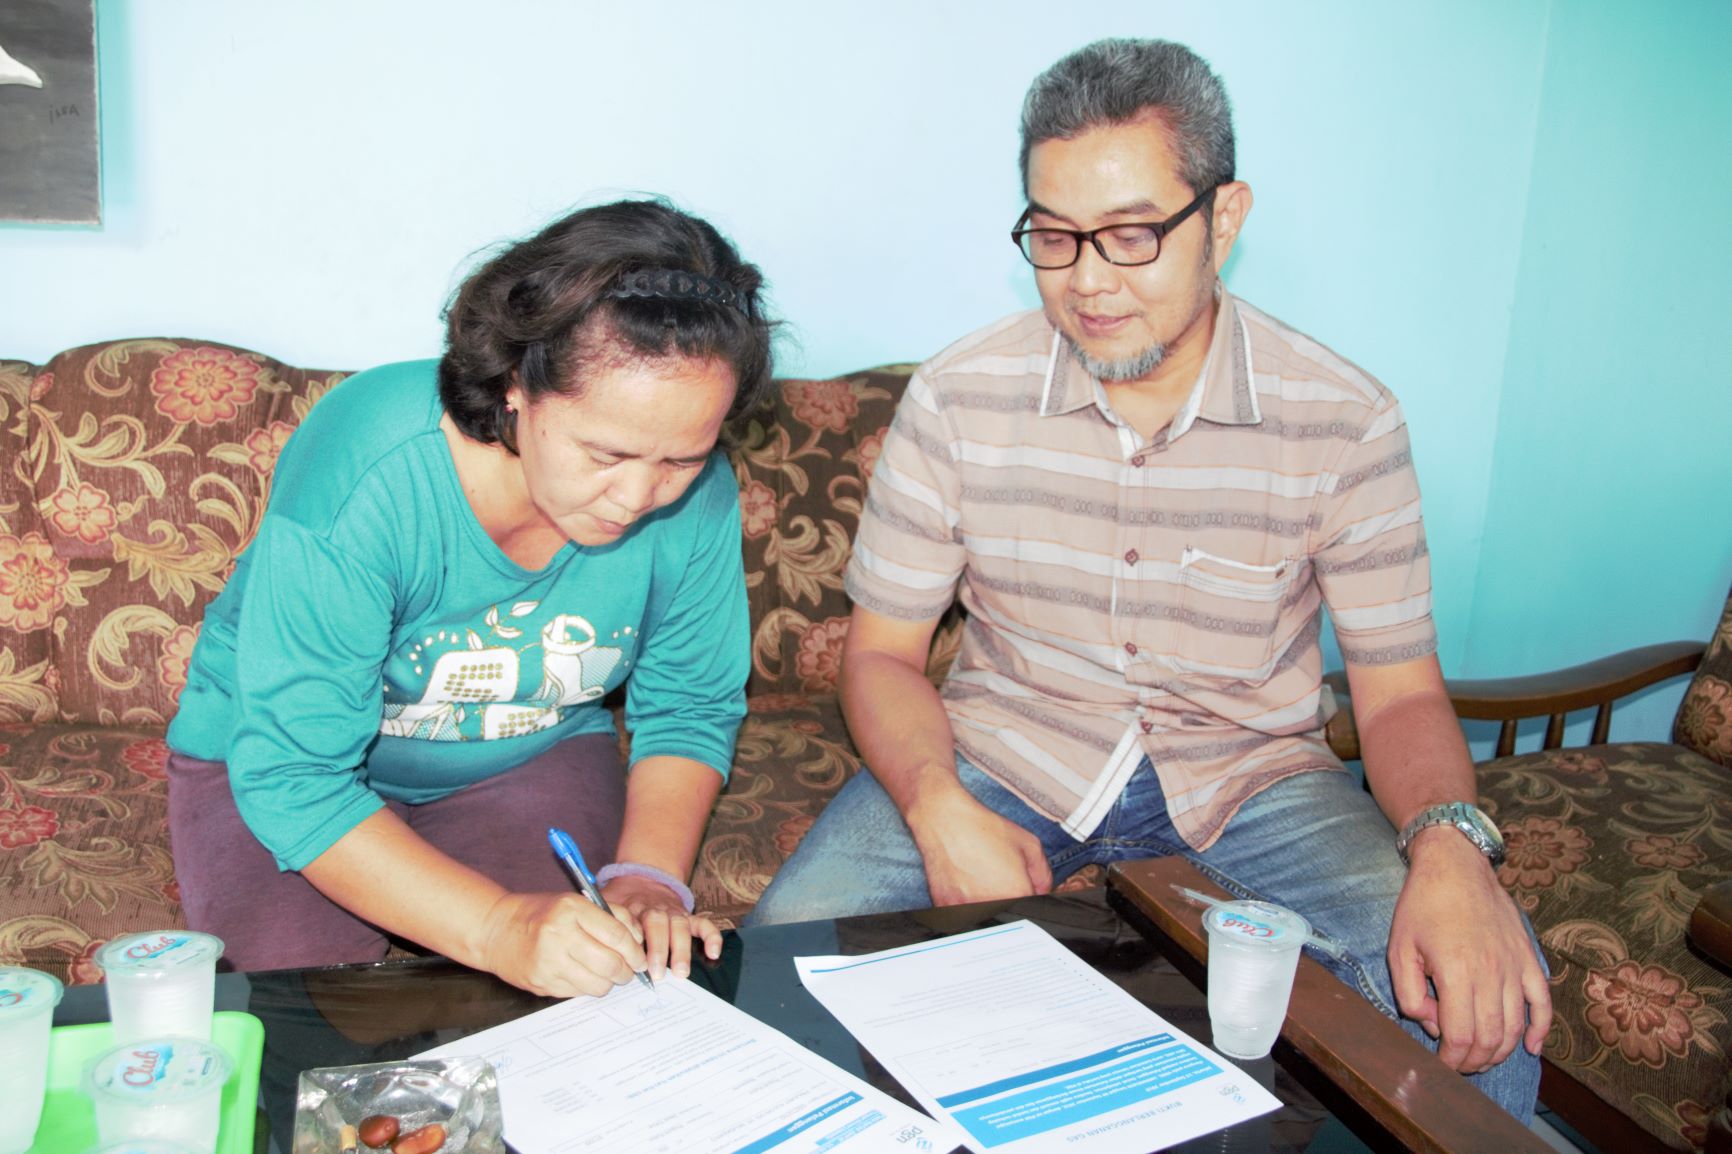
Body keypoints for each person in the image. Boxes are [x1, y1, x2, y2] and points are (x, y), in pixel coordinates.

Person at [750, 39, 1550, 1118]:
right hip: (1005, 748)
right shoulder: (958, 397)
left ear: (1222, 220)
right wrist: (938, 805)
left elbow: (1398, 690)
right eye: (1053, 234)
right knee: (774, 980)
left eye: (1130, 235)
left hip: (1255, 777)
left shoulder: (1343, 419)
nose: (1085, 280)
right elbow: (883, 653)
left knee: (1478, 1022)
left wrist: (1452, 849)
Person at [166, 199, 774, 999]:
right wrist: (498, 927)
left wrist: (648, 877)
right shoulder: (374, 457)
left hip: (525, 754)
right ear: (518, 385)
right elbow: (296, 775)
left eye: (681, 459)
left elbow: (690, 705)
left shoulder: (698, 497)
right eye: (605, 452)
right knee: (304, 1016)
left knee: (560, 1010)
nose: (638, 496)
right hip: (279, 765)